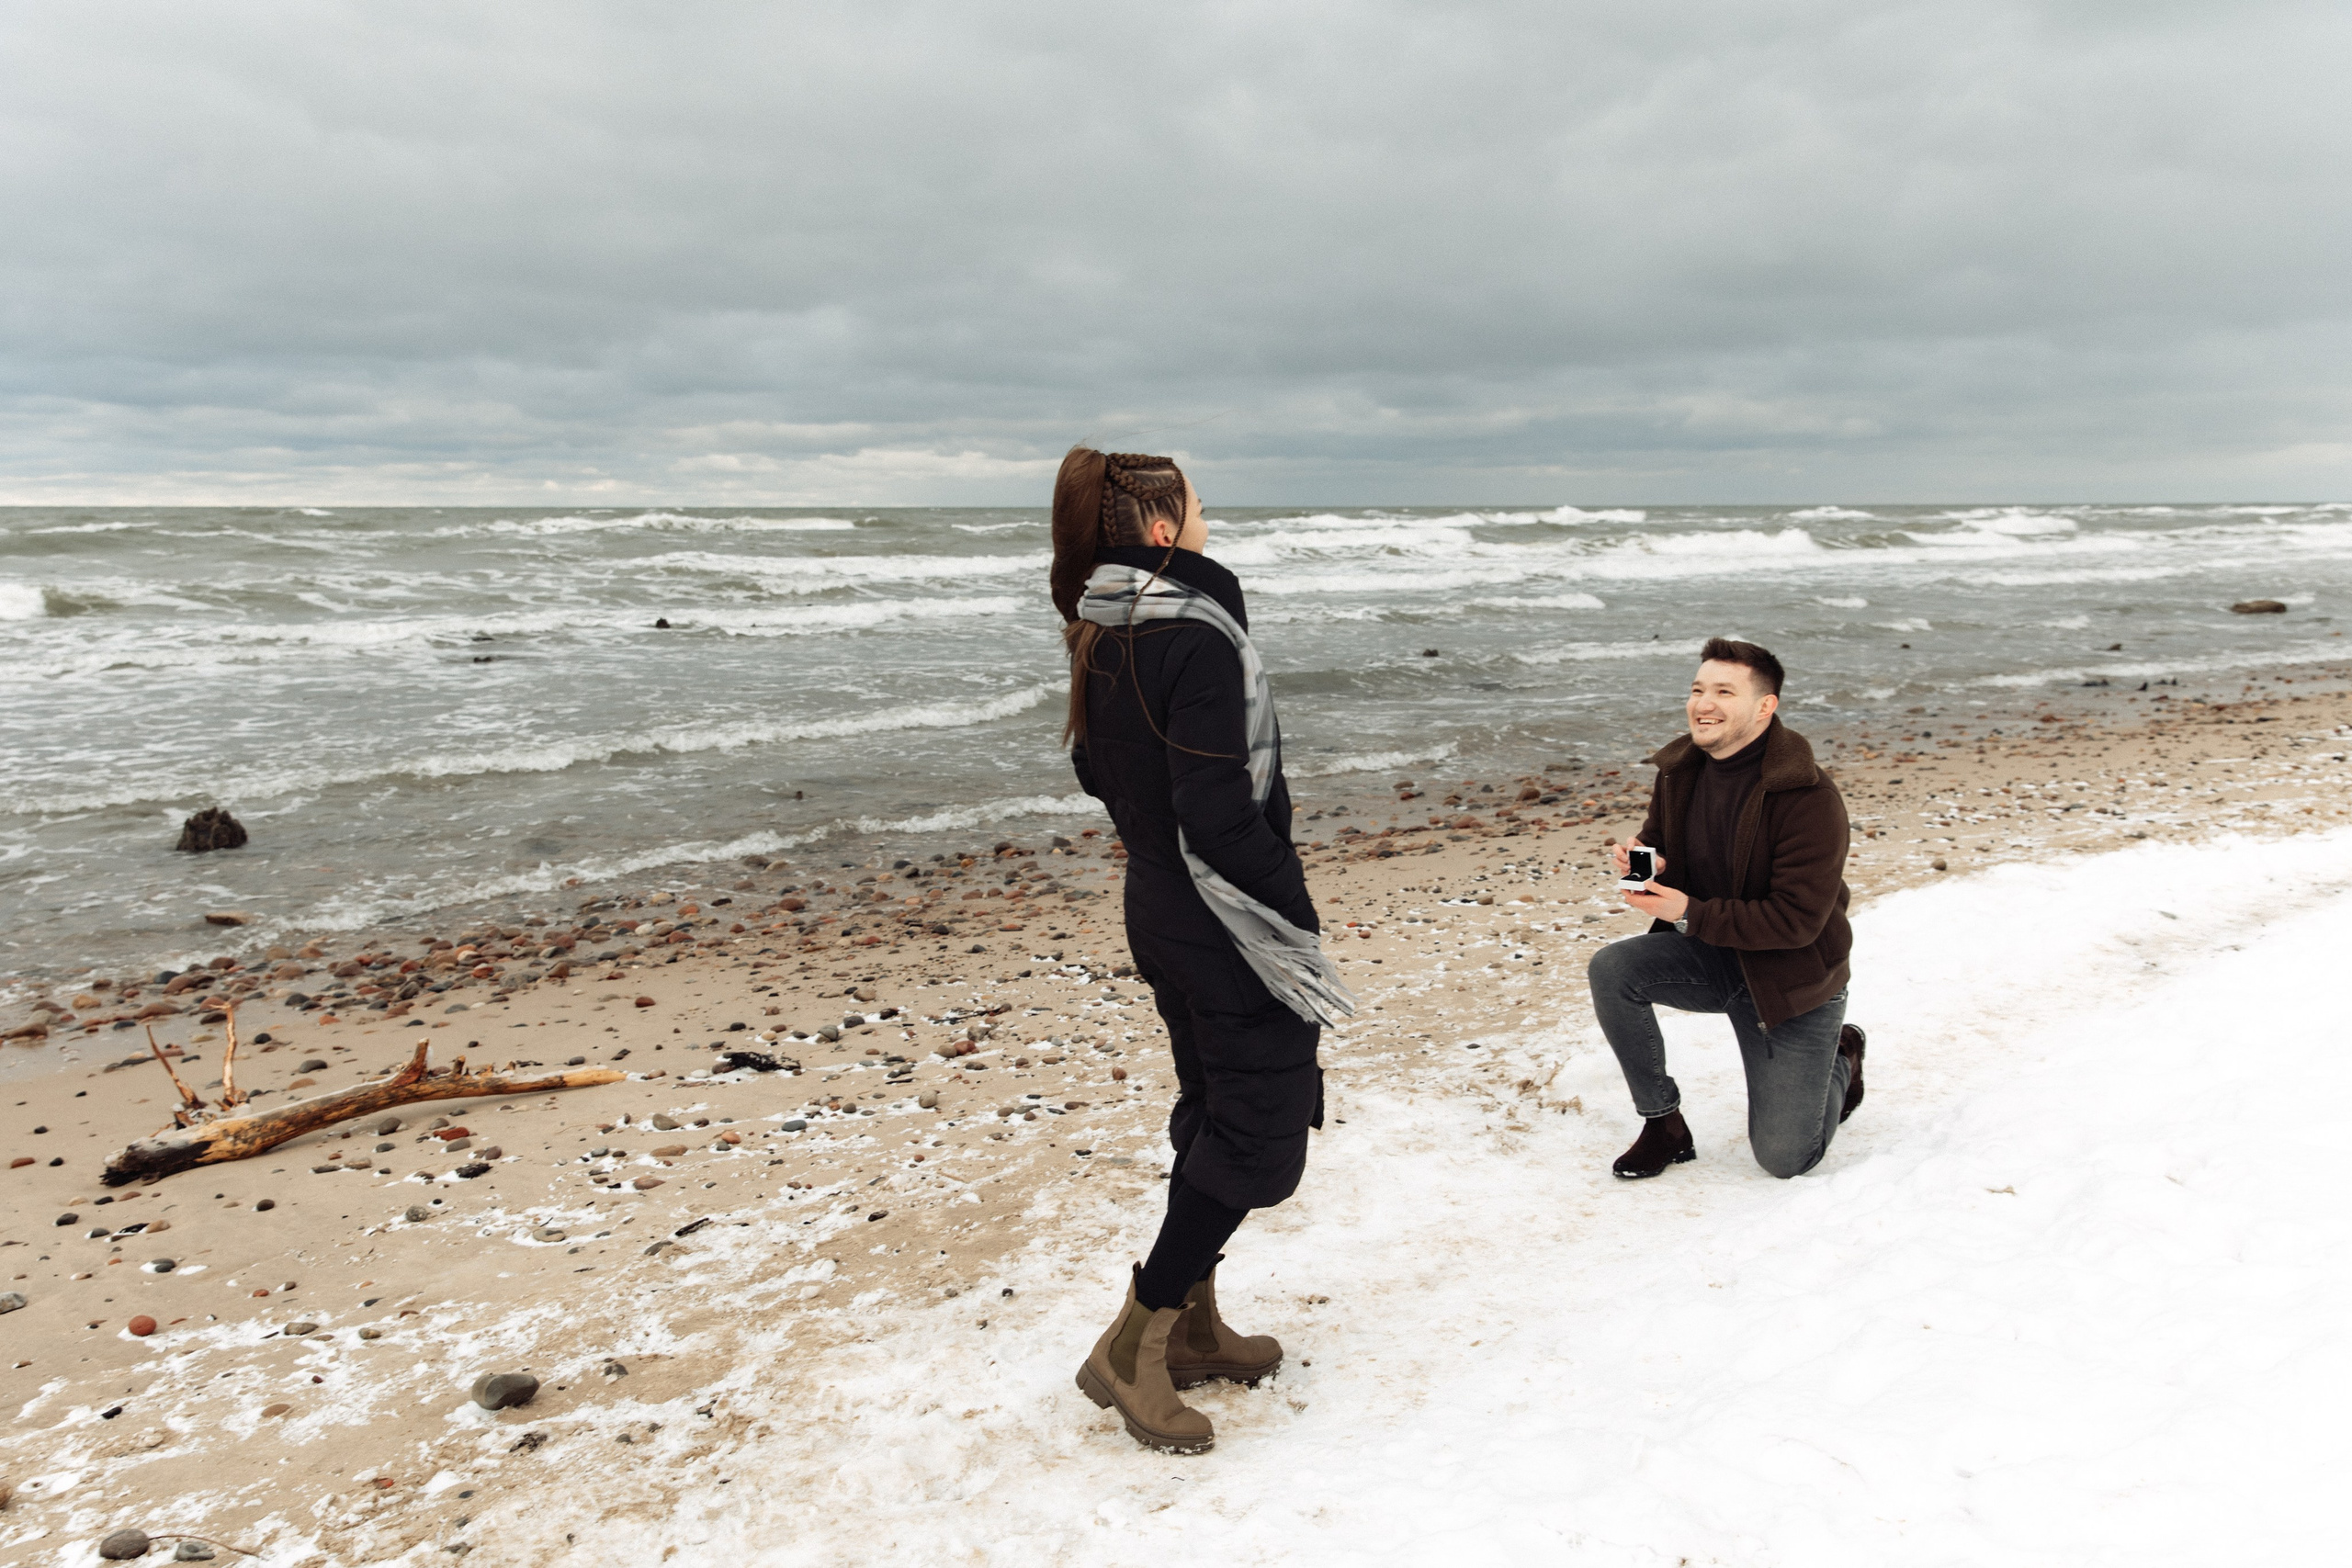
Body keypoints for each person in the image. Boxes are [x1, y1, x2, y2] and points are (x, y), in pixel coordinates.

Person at [1052, 446, 1353, 1454]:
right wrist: (1293, 921)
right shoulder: (1198, 638)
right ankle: (1134, 1341)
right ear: (1162, 531)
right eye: (1198, 502)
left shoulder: (1099, 626)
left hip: (1159, 908)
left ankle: (1193, 1327)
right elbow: (1220, 817)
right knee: (1256, 1133)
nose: (1208, 515)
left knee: (1214, 1109)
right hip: (1224, 925)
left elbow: (1100, 774)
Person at [1589, 637, 1868, 1180]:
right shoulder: (1679, 770)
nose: (1703, 704)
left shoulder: (1807, 797)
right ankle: (1663, 1125)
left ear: (1766, 707)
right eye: (1697, 689)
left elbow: (1796, 921)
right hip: (1714, 959)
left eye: (1723, 692)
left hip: (1792, 981)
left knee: (1786, 1158)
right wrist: (1642, 866)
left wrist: (1688, 911)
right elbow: (1660, 842)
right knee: (1613, 969)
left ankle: (1842, 1056)